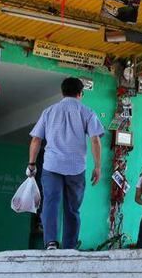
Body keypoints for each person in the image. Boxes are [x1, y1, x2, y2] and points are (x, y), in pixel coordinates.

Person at [28, 77, 105, 250]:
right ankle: (69, 246)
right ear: (81, 94)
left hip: (51, 166)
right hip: (76, 168)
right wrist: (98, 166)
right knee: (72, 209)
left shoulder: (49, 111)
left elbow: (36, 140)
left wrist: (32, 164)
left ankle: (50, 242)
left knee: (50, 203)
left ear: (62, 92)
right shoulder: (87, 112)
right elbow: (95, 140)